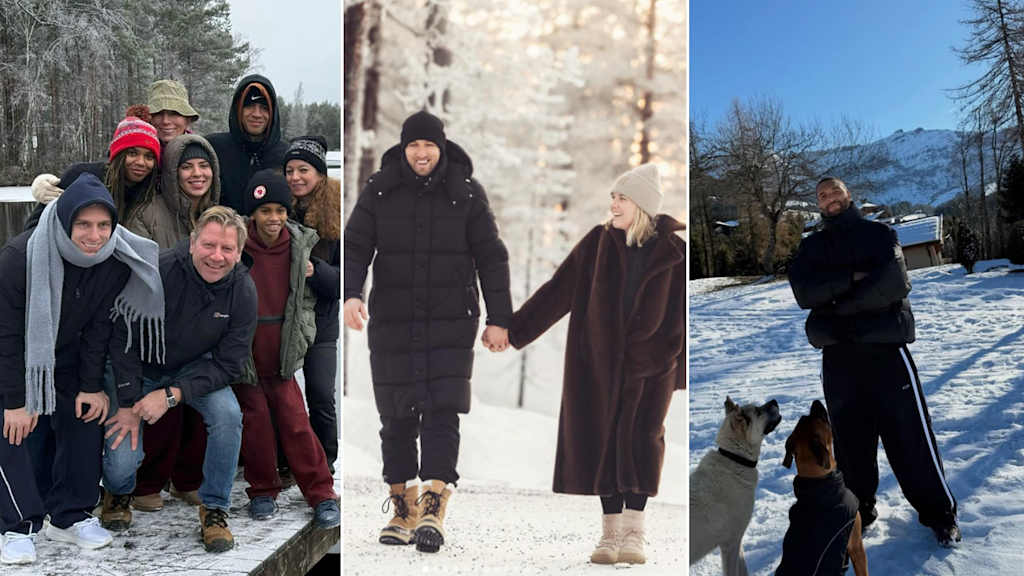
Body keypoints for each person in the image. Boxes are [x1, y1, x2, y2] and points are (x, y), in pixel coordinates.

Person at [344, 110, 512, 553]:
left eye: (429, 145)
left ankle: (434, 505)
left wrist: (500, 317)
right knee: (395, 415)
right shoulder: (380, 190)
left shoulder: (467, 194)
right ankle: (403, 507)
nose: (421, 153)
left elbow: (491, 256)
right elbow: (357, 243)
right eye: (414, 145)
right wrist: (351, 293)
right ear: (403, 148)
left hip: (451, 318)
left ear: (441, 148)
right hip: (394, 318)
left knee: (442, 411)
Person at [505, 163, 685, 565]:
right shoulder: (597, 243)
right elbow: (558, 292)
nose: (614, 204)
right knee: (604, 438)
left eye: (621, 197)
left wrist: (673, 367)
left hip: (655, 365)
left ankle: (635, 533)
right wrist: (513, 331)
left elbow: (683, 315)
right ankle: (610, 534)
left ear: (641, 204)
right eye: (612, 198)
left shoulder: (676, 252)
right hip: (601, 363)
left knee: (643, 439)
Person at [788, 177, 961, 547]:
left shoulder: (879, 235)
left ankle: (940, 514)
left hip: (886, 352)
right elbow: (805, 292)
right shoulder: (812, 247)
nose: (829, 198)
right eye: (822, 195)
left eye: (835, 191)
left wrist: (835, 309)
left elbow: (893, 284)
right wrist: (853, 280)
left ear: (849, 195)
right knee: (851, 443)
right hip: (840, 361)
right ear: (817, 204)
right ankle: (858, 511)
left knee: (910, 436)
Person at [0, 173, 162, 564]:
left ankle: (69, 515)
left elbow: (98, 328)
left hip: (68, 358)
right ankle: (16, 526)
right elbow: (5, 334)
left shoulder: (112, 261)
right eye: (84, 224)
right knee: (15, 428)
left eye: (104, 225)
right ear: (65, 221)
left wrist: (91, 386)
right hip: (15, 357)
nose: (95, 235)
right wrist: (16, 401)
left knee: (87, 414)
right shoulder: (21, 257)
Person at [102, 205, 255, 553]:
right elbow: (121, 334)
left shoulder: (242, 291)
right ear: (191, 242)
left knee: (228, 416)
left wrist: (173, 394)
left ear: (239, 252)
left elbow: (230, 363)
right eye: (209, 245)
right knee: (122, 460)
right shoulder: (159, 271)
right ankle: (118, 492)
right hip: (137, 367)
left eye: (227, 249)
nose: (216, 256)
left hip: (192, 369)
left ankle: (215, 507)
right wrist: (126, 402)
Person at [105, 133, 221, 520]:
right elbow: (137, 284)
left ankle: (187, 481)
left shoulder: (219, 214)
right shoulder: (148, 216)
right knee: (158, 410)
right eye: (186, 166)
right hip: (155, 336)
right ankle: (141, 485)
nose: (196, 173)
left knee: (204, 410)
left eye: (204, 165)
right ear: (171, 172)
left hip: (204, 336)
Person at [232, 169, 339, 528]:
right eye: (265, 211)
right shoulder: (236, 246)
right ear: (253, 214)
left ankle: (322, 492)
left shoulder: (298, 246)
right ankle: (263, 489)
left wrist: (303, 337)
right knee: (256, 424)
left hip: (282, 353)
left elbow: (306, 303)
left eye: (280, 210)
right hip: (246, 355)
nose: (273, 219)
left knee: (295, 422)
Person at [30, 79, 198, 204]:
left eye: (175, 114)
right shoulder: (132, 148)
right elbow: (108, 170)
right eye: (158, 114)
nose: (166, 121)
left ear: (188, 120)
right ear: (148, 117)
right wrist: (52, 185)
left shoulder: (198, 154)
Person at [283, 135, 340, 473]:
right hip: (285, 319)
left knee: (320, 393)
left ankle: (325, 462)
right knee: (284, 397)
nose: (295, 177)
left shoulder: (335, 213)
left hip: (322, 320)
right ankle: (286, 459)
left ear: (319, 173)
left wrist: (313, 269)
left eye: (303, 169)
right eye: (289, 170)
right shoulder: (280, 209)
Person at [207, 74, 288, 213]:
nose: (257, 114)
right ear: (238, 109)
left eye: (264, 107)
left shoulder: (286, 155)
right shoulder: (214, 148)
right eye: (249, 106)